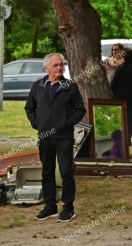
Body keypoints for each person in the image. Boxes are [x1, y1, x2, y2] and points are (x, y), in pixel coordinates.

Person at [24, 53, 86, 223]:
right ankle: (50, 206)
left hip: (64, 137)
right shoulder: (38, 86)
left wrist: (66, 124)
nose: (60, 68)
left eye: (61, 65)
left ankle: (68, 208)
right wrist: (37, 123)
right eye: (56, 65)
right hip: (44, 137)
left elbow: (80, 110)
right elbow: (29, 108)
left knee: (66, 172)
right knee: (47, 172)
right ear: (46, 68)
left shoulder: (69, 86)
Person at [110, 48, 132, 141]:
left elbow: (113, 83)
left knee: (119, 119)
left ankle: (119, 139)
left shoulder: (120, 68)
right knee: (129, 119)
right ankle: (127, 138)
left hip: (119, 98)